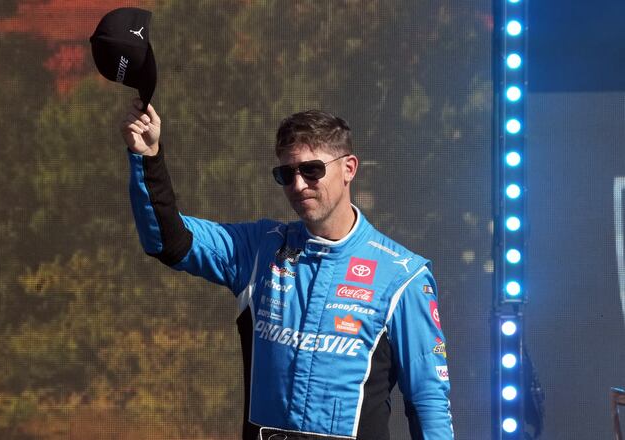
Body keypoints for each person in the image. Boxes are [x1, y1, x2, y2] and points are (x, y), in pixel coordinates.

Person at [119, 98, 454, 440]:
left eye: (312, 170)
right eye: (286, 174)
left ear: (349, 168)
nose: (298, 185)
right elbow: (167, 239)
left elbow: (427, 401)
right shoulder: (260, 247)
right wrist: (148, 156)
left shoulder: (403, 275)